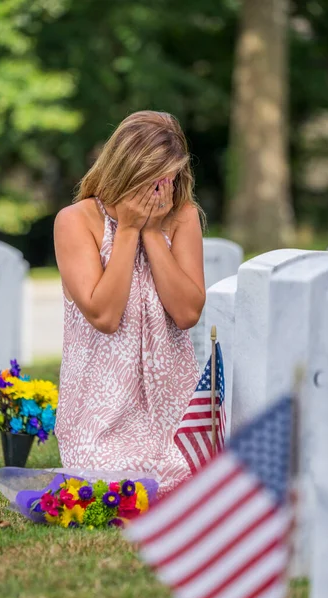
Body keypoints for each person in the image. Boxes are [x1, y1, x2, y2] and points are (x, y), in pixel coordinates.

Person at [54, 110, 205, 495]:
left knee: (189, 488)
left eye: (169, 175)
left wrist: (152, 232)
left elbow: (187, 313)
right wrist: (129, 230)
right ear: (125, 168)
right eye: (152, 174)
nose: (161, 185)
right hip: (101, 412)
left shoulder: (182, 217)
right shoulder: (76, 220)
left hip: (171, 407)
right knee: (112, 490)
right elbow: (104, 315)